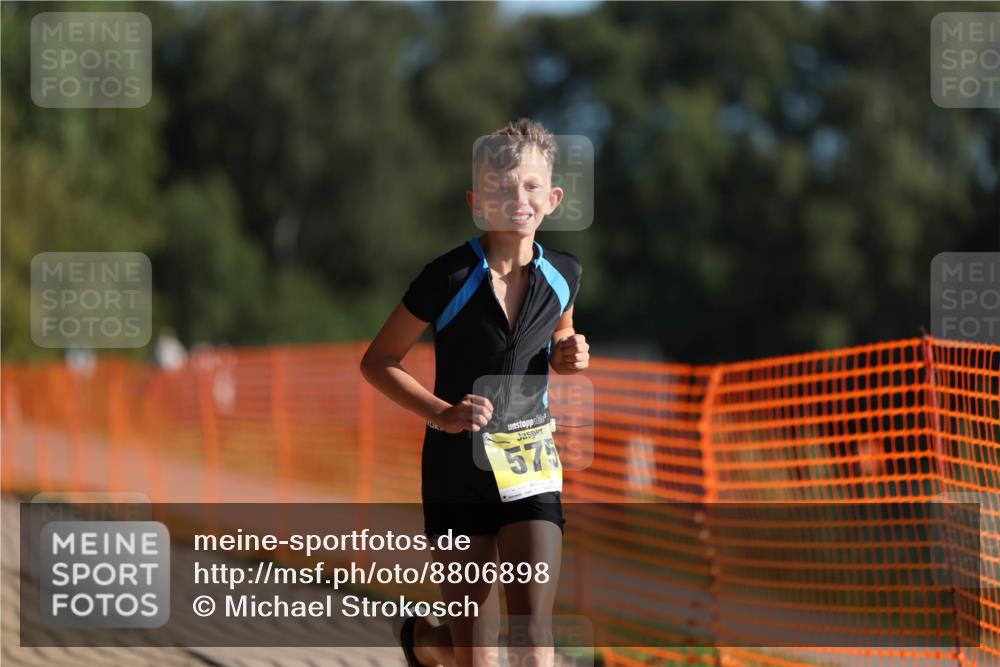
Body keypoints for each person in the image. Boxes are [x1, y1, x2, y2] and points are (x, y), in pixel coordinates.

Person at [360, 118, 589, 667]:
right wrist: (442, 412)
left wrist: (568, 354)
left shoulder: (564, 274)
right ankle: (425, 641)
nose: (519, 199)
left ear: (553, 198)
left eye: (531, 186)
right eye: (502, 187)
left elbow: (560, 335)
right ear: (477, 202)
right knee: (475, 653)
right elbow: (378, 361)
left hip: (529, 462)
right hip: (456, 469)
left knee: (533, 637)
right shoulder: (448, 277)